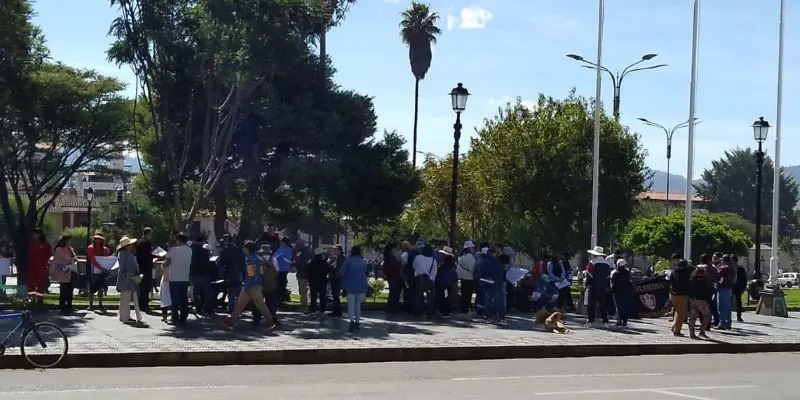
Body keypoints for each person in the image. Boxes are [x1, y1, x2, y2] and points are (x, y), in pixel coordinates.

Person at [222, 241, 277, 330]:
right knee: (240, 303)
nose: (243, 249)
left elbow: (251, 274)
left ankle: (270, 322)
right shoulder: (257, 258)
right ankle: (231, 321)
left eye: (244, 247)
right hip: (254, 284)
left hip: (252, 285)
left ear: (248, 249)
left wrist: (247, 286)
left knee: (259, 304)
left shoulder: (250, 260)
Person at [166, 233, 192, 324]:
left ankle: (175, 317)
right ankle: (184, 316)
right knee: (183, 298)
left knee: (175, 299)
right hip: (185, 277)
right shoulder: (189, 250)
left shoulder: (173, 250)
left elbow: (166, 263)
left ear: (178, 240)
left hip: (174, 277)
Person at [340, 246, 368, 333]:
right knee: (358, 305)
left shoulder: (348, 260)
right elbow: (365, 273)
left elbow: (342, 271)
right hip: (361, 286)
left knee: (351, 305)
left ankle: (351, 321)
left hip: (350, 286)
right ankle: (357, 322)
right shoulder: (364, 262)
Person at [116, 236, 143, 325]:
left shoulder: (123, 254)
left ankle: (123, 315)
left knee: (124, 297)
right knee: (126, 298)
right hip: (127, 278)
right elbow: (124, 267)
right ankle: (125, 317)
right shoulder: (126, 254)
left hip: (127, 277)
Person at [585, 246, 612, 329]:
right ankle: (605, 322)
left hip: (593, 287)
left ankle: (590, 321)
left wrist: (587, 285)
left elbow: (589, 275)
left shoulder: (592, 263)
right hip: (603, 287)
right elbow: (608, 277)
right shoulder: (607, 264)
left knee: (591, 305)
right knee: (603, 305)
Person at [217, 234, 244, 313]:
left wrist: (221, 275)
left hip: (229, 273)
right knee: (239, 292)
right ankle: (240, 309)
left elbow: (221, 263)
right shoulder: (238, 249)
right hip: (238, 272)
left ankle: (232, 309)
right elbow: (242, 261)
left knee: (231, 293)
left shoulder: (225, 251)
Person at [51, 235, 77, 314]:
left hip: (70, 271)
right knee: (63, 289)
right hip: (63, 271)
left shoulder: (70, 249)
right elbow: (58, 260)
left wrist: (74, 259)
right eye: (69, 240)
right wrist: (70, 260)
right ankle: (62, 305)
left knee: (70, 289)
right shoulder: (59, 249)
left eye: (71, 240)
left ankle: (69, 305)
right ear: (64, 241)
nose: (70, 242)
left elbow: (73, 257)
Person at [412, 242, 438, 318]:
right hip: (429, 280)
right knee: (430, 297)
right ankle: (430, 312)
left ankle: (418, 312)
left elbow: (414, 266)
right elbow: (434, 272)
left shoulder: (418, 257)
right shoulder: (433, 260)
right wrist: (431, 280)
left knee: (419, 296)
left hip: (418, 279)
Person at [189, 232, 213, 314]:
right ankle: (207, 308)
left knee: (196, 290)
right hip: (204, 272)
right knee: (206, 291)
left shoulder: (191, 250)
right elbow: (208, 262)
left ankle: (198, 307)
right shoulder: (205, 251)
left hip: (194, 272)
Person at [86, 233, 111, 311]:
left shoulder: (105, 249)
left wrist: (105, 269)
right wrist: (101, 268)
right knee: (92, 287)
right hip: (92, 270)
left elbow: (107, 260)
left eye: (100, 239)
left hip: (102, 271)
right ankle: (91, 305)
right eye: (96, 239)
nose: (98, 241)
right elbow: (93, 260)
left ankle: (100, 304)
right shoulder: (90, 248)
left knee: (101, 288)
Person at [668, 258, 692, 336]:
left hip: (672, 295)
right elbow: (689, 283)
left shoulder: (673, 272)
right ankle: (677, 331)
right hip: (681, 296)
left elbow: (670, 282)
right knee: (681, 314)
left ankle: (674, 326)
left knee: (677, 312)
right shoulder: (686, 273)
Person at [688, 265, 712, 339]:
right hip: (701, 300)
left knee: (692, 317)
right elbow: (707, 289)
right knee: (707, 315)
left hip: (693, 299)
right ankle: (701, 331)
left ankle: (692, 334)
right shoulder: (704, 279)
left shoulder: (692, 279)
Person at [27, 228, 52, 296]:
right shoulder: (31, 243)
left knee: (41, 284)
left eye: (35, 234)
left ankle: (39, 299)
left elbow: (50, 254)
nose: (33, 236)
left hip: (42, 268)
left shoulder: (46, 244)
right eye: (33, 234)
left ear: (39, 234)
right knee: (31, 283)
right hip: (32, 267)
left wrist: (46, 262)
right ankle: (32, 298)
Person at [134, 227, 155, 312]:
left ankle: (141, 303)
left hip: (141, 266)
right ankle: (144, 304)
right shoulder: (146, 243)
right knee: (145, 286)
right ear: (149, 233)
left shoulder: (139, 241)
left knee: (142, 285)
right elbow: (147, 254)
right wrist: (156, 255)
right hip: (146, 266)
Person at [435, 247, 458, 317]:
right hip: (449, 283)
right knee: (446, 296)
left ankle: (444, 310)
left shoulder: (445, 263)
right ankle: (445, 310)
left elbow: (440, 272)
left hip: (444, 283)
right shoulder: (452, 264)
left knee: (445, 296)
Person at [610, 258, 633, 327]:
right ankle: (625, 321)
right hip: (626, 292)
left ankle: (619, 320)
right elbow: (630, 283)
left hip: (617, 292)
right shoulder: (628, 273)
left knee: (619, 307)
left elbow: (613, 283)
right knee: (625, 306)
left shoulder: (615, 273)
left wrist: (612, 291)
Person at [382, 243, 404, 315]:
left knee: (393, 293)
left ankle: (391, 308)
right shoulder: (392, 257)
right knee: (395, 293)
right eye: (395, 248)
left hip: (391, 277)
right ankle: (393, 308)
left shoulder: (388, 257)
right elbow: (396, 266)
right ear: (392, 249)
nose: (396, 250)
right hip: (395, 277)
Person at [308, 247, 330, 314]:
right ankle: (322, 309)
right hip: (322, 281)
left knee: (313, 296)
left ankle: (313, 309)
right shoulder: (324, 262)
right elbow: (328, 270)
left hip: (313, 281)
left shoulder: (311, 262)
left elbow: (308, 271)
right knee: (322, 296)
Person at [293, 239, 314, 313]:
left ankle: (304, 306)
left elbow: (305, 263)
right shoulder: (306, 252)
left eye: (298, 245)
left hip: (304, 274)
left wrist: (297, 261)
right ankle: (306, 306)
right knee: (303, 291)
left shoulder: (305, 253)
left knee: (303, 291)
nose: (297, 247)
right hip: (302, 274)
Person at [457, 241, 477, 314]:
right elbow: (473, 268)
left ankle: (463, 309)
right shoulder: (470, 257)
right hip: (469, 278)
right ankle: (466, 310)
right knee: (468, 295)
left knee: (463, 294)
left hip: (462, 278)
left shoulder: (461, 256)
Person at [716, 254, 735, 330]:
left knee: (721, 307)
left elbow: (717, 274)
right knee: (727, 307)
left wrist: (719, 264)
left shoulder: (723, 268)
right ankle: (728, 322)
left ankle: (722, 323)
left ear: (723, 260)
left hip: (722, 288)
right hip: (729, 288)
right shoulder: (731, 268)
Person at [272, 237, 293, 302]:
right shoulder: (280, 249)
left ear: (285, 242)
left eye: (282, 242)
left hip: (284, 269)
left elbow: (289, 259)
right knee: (278, 283)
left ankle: (283, 297)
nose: (281, 243)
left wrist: (283, 258)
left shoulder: (289, 249)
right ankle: (279, 297)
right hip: (278, 269)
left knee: (282, 283)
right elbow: (274, 257)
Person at [328, 244, 345, 317]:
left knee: (336, 295)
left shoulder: (342, 258)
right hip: (333, 278)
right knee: (334, 295)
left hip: (337, 278)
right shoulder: (334, 258)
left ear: (340, 250)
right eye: (333, 250)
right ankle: (335, 310)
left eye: (335, 249)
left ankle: (338, 311)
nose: (334, 251)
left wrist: (332, 265)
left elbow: (338, 268)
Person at [732, 255, 747, 323]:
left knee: (738, 301)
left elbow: (744, 279)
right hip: (730, 286)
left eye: (733, 261)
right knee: (728, 301)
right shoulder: (729, 268)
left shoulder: (740, 268)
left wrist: (743, 287)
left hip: (738, 286)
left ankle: (739, 316)